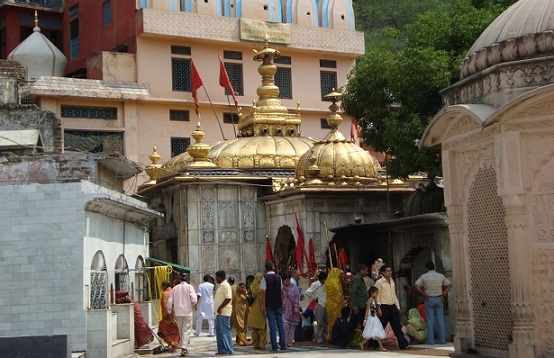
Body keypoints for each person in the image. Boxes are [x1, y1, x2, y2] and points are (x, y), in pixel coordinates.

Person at [414, 260, 452, 345]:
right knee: (440, 320)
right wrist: (444, 293)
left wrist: (423, 294)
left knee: (430, 320)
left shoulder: (424, 276)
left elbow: (416, 285)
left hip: (429, 298)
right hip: (439, 298)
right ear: (434, 267)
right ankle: (442, 340)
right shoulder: (440, 276)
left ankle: (431, 341)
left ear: (427, 268)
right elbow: (450, 284)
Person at [374, 265, 411, 350]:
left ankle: (403, 344)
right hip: (383, 306)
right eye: (388, 271)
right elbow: (377, 296)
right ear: (383, 272)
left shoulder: (392, 281)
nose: (390, 272)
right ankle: (375, 343)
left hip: (392, 306)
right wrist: (378, 308)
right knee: (381, 326)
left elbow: (394, 294)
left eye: (390, 270)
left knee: (397, 326)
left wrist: (397, 306)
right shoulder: (379, 282)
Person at [168, 273, 198, 357]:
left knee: (181, 330)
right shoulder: (189, 287)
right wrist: (194, 304)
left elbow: (170, 301)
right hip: (187, 312)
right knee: (186, 330)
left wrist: (169, 311)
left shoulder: (175, 288)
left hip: (178, 312)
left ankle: (183, 347)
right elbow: (194, 299)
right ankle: (184, 348)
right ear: (187, 279)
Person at [260, 261, 287, 351]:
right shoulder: (278, 277)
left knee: (272, 325)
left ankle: (274, 345)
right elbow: (281, 292)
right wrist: (282, 303)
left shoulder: (265, 278)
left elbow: (263, 293)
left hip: (269, 304)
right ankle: (283, 345)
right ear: (272, 267)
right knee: (280, 324)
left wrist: (262, 305)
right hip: (278, 303)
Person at [359, 286, 387, 351]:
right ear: (371, 293)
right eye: (376, 293)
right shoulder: (369, 301)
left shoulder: (374, 300)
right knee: (374, 332)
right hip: (371, 318)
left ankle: (363, 343)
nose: (377, 294)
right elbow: (367, 310)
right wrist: (365, 320)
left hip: (374, 317)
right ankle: (380, 347)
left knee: (375, 332)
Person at [304, 271, 328, 344]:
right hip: (320, 305)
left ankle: (326, 337)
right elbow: (307, 292)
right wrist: (315, 298)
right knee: (320, 322)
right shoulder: (315, 284)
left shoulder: (327, 285)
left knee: (326, 322)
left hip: (327, 304)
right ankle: (319, 338)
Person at [214, 270, 233, 355]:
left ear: (219, 277)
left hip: (224, 312)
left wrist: (220, 307)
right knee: (219, 332)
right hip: (219, 313)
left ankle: (228, 349)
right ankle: (221, 350)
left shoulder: (225, 285)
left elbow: (228, 298)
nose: (216, 279)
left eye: (216, 277)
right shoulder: (221, 286)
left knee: (225, 331)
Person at [247, 273, 267, 350]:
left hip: (253, 310)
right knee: (261, 329)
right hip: (260, 309)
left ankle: (255, 344)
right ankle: (262, 344)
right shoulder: (261, 289)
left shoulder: (252, 287)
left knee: (254, 330)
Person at [159, 281, 180, 352]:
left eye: (162, 286)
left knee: (163, 330)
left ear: (165, 286)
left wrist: (166, 315)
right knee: (176, 331)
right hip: (176, 315)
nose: (162, 288)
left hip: (168, 316)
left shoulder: (165, 294)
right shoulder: (174, 291)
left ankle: (172, 343)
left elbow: (165, 305)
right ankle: (174, 344)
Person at [282, 273, 301, 347]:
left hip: (293, 308)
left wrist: (296, 306)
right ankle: (284, 341)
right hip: (284, 308)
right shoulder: (281, 288)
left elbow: (296, 297)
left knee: (292, 326)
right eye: (286, 281)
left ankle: (289, 341)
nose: (288, 282)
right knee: (285, 325)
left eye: (288, 281)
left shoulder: (294, 287)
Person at [325, 268, 344, 342]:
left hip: (332, 303)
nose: (340, 275)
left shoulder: (330, 281)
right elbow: (338, 292)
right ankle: (331, 336)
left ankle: (332, 336)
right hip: (334, 304)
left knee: (333, 320)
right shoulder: (334, 282)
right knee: (333, 320)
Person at [349, 264, 369, 332]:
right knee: (353, 324)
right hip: (359, 305)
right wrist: (355, 305)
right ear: (361, 271)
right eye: (366, 271)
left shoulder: (360, 279)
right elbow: (353, 292)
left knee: (354, 323)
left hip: (362, 304)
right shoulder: (357, 279)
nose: (367, 273)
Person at [232, 282, 249, 346]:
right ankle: (243, 340)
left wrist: (244, 294)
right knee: (239, 326)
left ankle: (238, 340)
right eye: (241, 287)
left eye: (243, 287)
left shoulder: (246, 294)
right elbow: (232, 302)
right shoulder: (235, 295)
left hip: (244, 313)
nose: (242, 289)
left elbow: (247, 301)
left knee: (243, 326)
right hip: (237, 313)